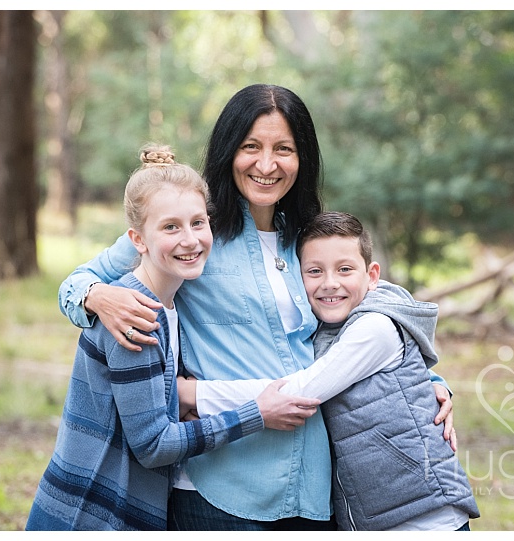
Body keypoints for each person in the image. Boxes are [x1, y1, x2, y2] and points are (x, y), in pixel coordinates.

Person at [57, 84, 455, 530]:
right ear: (229, 150)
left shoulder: (307, 235)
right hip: (222, 483)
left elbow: (357, 309)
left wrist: (427, 381)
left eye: (283, 149)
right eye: (251, 147)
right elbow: (75, 283)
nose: (267, 165)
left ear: (302, 158)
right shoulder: (194, 230)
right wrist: (95, 296)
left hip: (314, 482)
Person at [26, 144, 320, 531]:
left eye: (199, 223)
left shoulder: (171, 305)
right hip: (91, 512)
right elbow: (153, 445)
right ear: (138, 239)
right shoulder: (135, 316)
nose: (190, 240)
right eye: (170, 227)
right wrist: (257, 413)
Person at [184, 211, 480, 530]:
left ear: (372, 275)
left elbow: (298, 391)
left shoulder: (375, 328)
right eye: (314, 271)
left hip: (424, 516)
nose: (330, 283)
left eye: (345, 269)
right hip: (379, 515)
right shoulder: (326, 330)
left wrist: (191, 393)